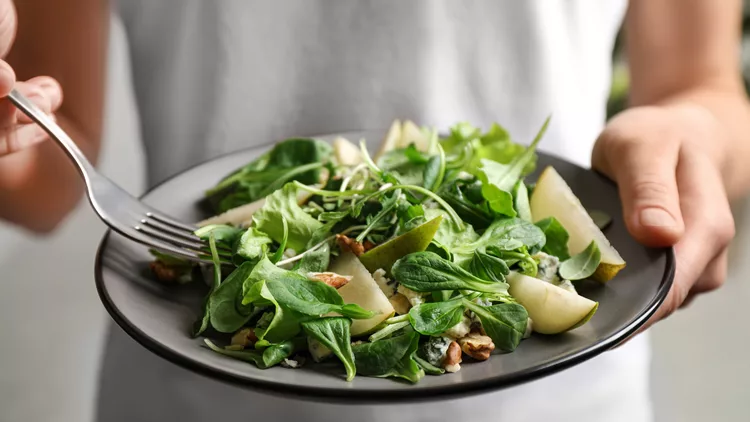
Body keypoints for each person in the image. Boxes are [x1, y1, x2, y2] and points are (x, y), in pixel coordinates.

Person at [0, 1, 744, 421]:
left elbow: (701, 86)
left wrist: (696, 137)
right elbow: (50, 170)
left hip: (556, 397)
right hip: (193, 388)